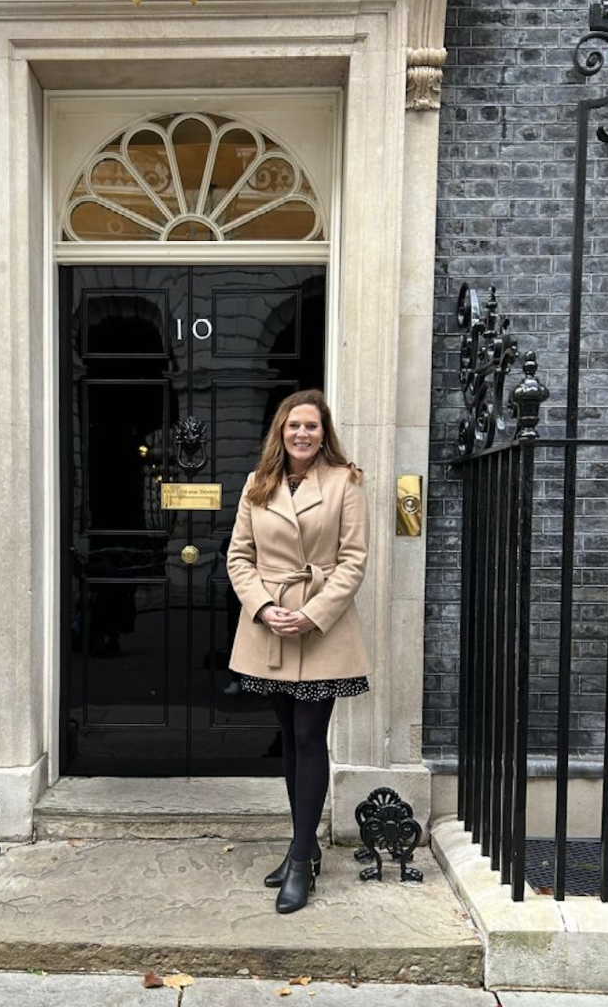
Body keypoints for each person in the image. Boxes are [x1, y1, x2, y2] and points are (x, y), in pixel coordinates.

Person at [227, 389, 371, 914]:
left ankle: (300, 861)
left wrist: (312, 613)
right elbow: (239, 556)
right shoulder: (257, 484)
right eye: (294, 426)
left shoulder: (345, 482)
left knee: (311, 736)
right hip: (268, 626)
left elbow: (354, 560)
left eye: (311, 426)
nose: (302, 434)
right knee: (288, 736)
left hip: (323, 628)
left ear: (323, 431)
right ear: (281, 432)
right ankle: (302, 847)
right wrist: (265, 608)